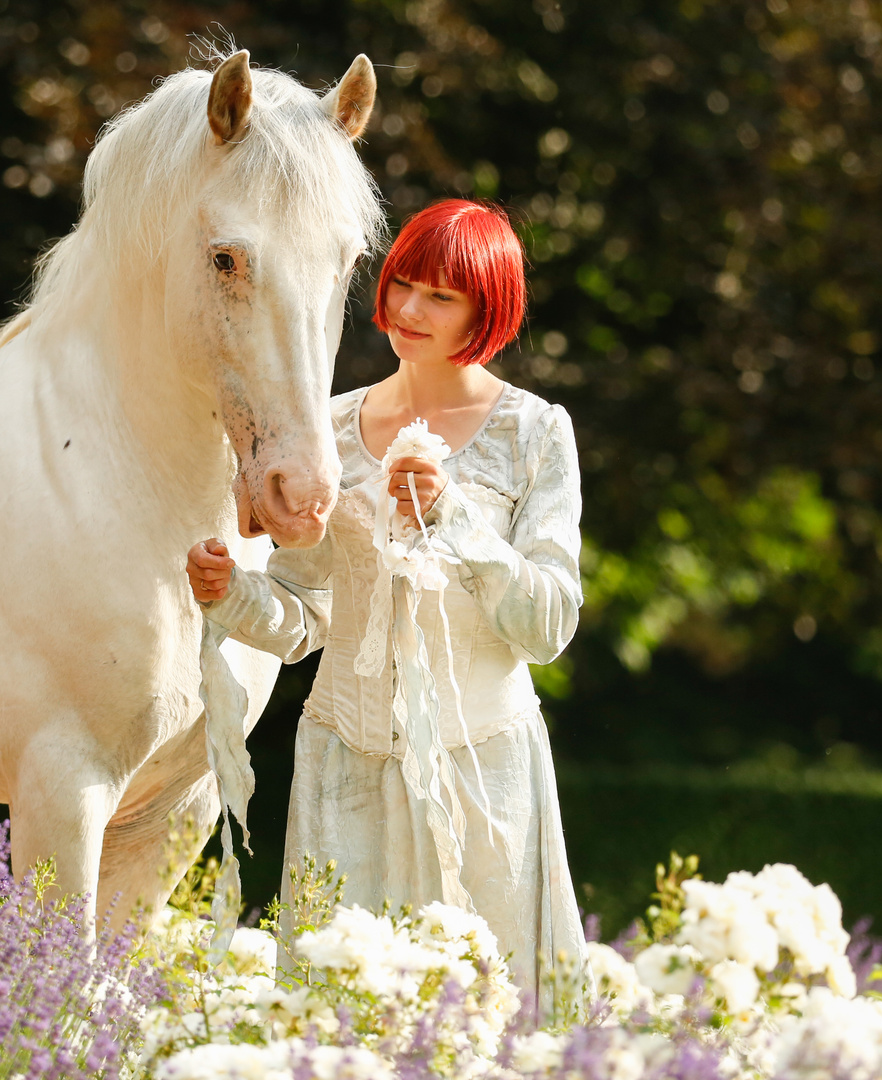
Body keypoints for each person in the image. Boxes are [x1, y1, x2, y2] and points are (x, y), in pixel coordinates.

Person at [186, 198, 585, 998]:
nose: (407, 309)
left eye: (441, 295)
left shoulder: (535, 432)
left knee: (488, 1015)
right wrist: (231, 594)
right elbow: (304, 620)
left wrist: (454, 516)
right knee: (339, 1012)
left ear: (488, 308)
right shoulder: (328, 429)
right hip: (344, 763)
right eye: (403, 282)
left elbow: (548, 626)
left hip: (483, 772)